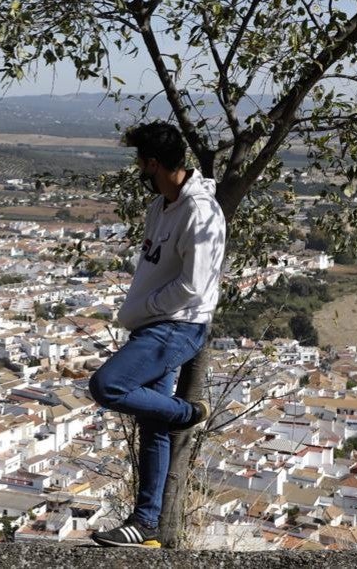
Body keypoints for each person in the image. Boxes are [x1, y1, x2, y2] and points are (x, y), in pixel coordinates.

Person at [88, 121, 227, 548]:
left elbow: (194, 286)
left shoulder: (200, 213)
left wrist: (141, 309)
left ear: (152, 163)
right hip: (156, 325)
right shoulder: (160, 207)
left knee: (107, 385)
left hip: (176, 327)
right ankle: (146, 522)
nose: (137, 169)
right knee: (153, 424)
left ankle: (185, 413)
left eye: (139, 161)